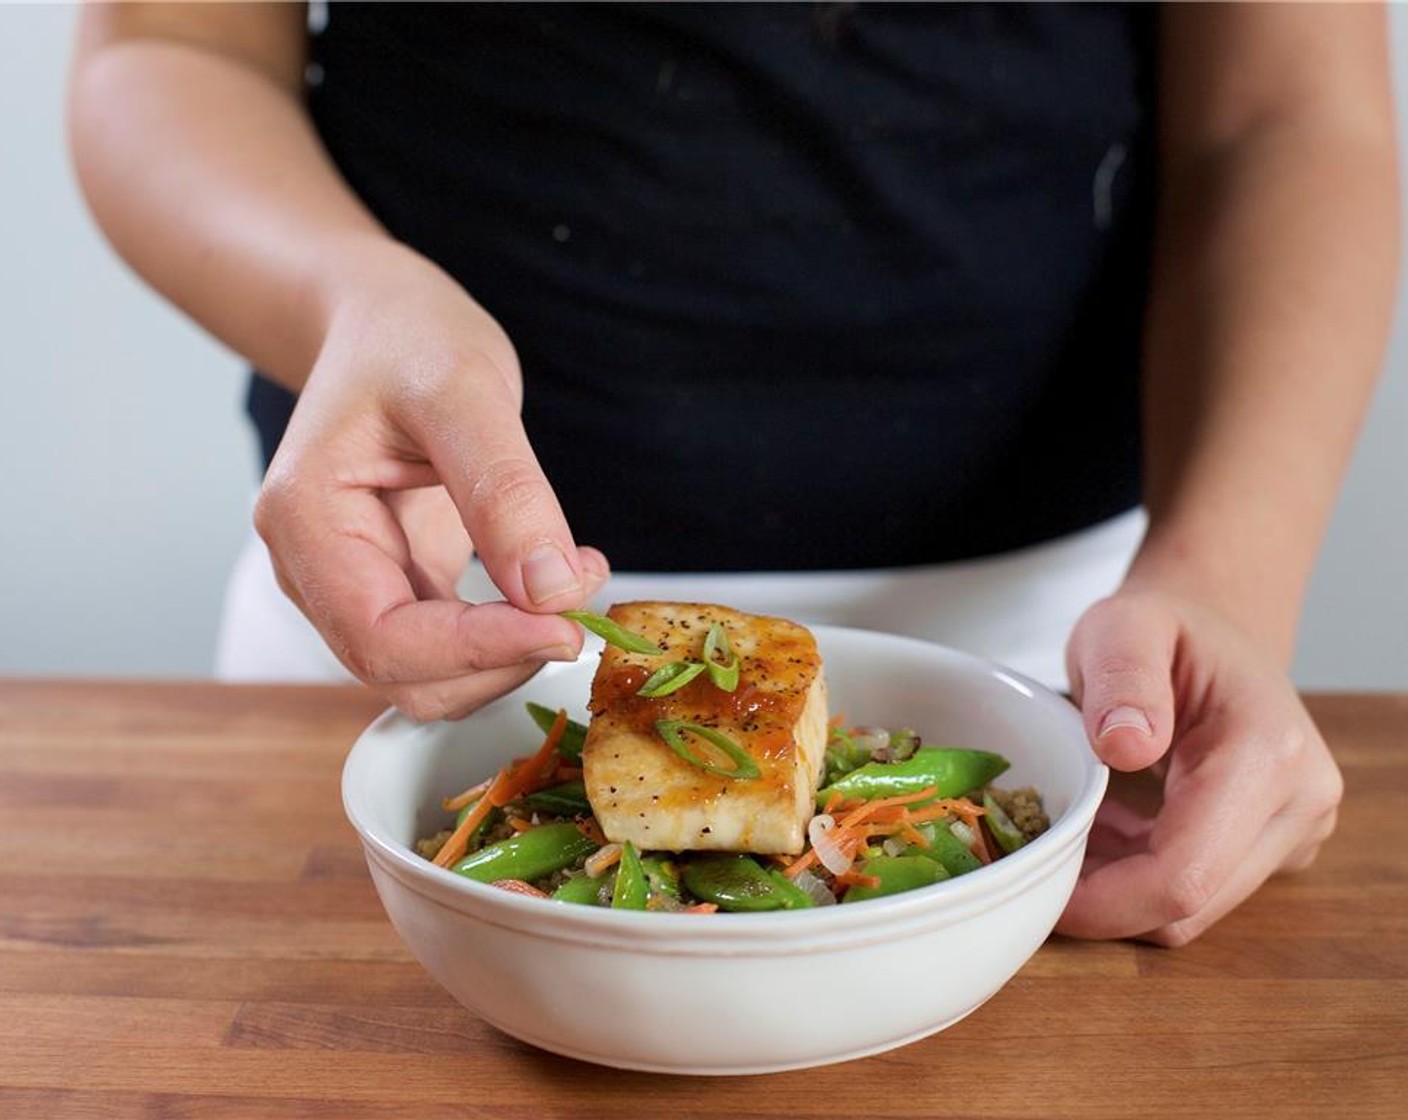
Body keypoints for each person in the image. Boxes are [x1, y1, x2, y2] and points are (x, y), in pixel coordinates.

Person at [69, 3, 1398, 946]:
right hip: (398, 629)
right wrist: (348, 302)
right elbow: (166, 44)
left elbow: (1290, 110)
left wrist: (1226, 581)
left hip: (1057, 664)